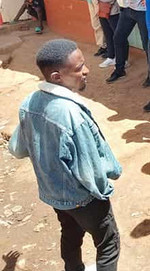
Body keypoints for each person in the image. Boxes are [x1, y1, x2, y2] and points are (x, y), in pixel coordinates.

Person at [8, 39, 122, 271]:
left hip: (54, 195)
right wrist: (104, 190)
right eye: (79, 68)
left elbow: (17, 148)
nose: (87, 71)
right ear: (57, 77)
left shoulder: (30, 103)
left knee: (70, 233)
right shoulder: (72, 115)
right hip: (84, 198)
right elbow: (92, 170)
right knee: (108, 244)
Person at [107, 0, 149, 85]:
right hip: (127, 7)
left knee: (147, 44)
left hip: (143, 10)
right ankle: (119, 69)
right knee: (118, 37)